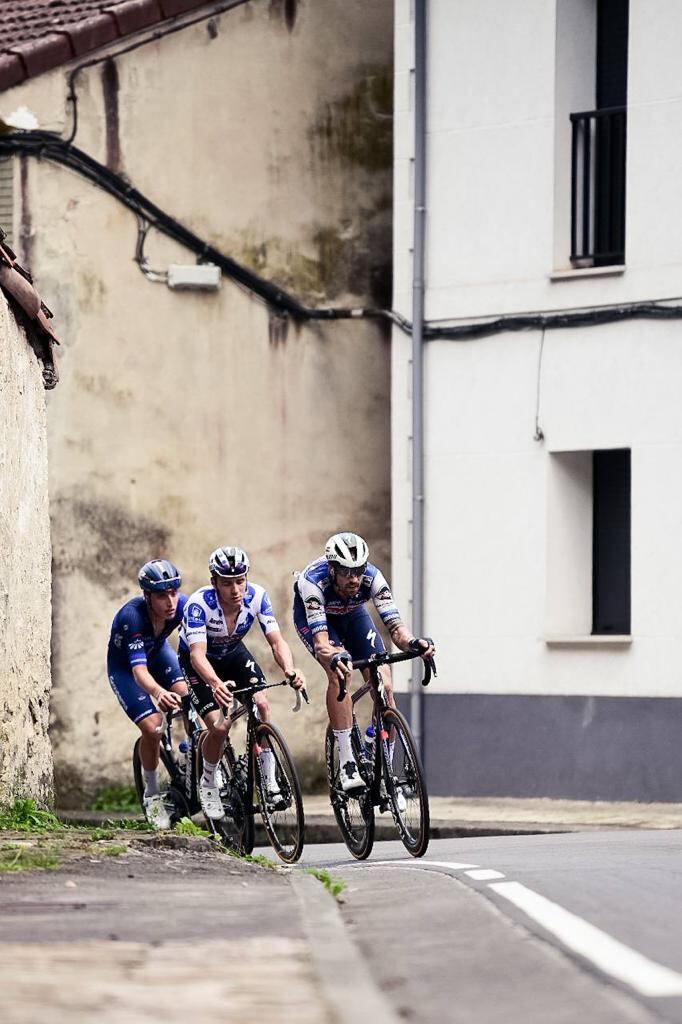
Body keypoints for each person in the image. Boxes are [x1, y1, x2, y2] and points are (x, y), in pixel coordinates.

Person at [293, 531, 435, 792]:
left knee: (385, 684)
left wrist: (416, 643)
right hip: (320, 621)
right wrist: (335, 655)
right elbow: (322, 643)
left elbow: (396, 628)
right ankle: (347, 762)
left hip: (353, 616)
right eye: (347, 572)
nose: (354, 578)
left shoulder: (373, 578)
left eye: (358, 571)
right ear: (332, 569)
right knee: (340, 673)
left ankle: (384, 772)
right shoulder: (312, 583)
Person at [180, 545, 305, 821]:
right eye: (227, 583)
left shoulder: (258, 596)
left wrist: (289, 669)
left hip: (233, 653)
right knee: (219, 726)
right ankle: (209, 781)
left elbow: (276, 641)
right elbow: (197, 654)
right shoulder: (199, 605)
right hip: (200, 663)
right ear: (214, 582)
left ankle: (268, 779)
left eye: (240, 580)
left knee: (261, 703)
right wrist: (215, 684)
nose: (236, 590)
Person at [107, 559, 188, 829]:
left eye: (174, 593)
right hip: (127, 670)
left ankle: (190, 758)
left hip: (158, 653)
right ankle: (152, 794)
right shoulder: (132, 617)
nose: (170, 601)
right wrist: (159, 692)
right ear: (147, 596)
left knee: (190, 696)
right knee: (153, 728)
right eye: (162, 595)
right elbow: (140, 673)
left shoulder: (183, 607)